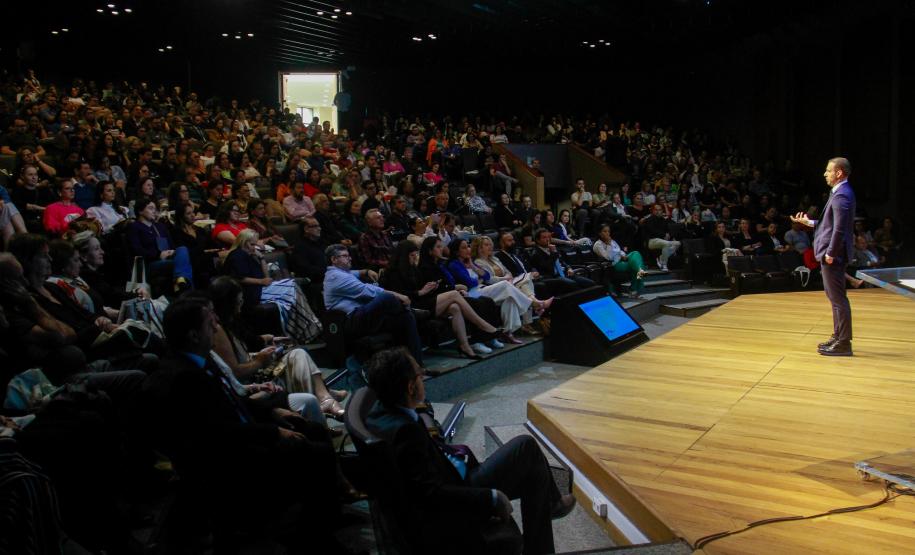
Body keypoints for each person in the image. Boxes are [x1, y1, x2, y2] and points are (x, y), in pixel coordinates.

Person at [141, 298, 351, 553]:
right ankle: (316, 537)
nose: (216, 326)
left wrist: (273, 411)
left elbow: (234, 400)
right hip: (231, 457)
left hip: (243, 432)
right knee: (316, 452)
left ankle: (330, 518)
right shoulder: (183, 378)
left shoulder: (200, 360)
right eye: (210, 323)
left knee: (313, 429)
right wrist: (273, 430)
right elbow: (218, 432)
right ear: (194, 335)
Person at [364, 347, 575, 555]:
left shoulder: (379, 412)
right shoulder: (406, 433)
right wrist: (490, 497)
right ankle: (550, 511)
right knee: (526, 448)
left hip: (452, 477)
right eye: (420, 374)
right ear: (410, 387)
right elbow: (431, 493)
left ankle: (548, 516)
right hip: (457, 495)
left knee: (533, 472)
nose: (423, 378)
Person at [381, 241, 498, 359]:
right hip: (412, 306)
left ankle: (465, 346)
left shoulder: (413, 269)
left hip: (422, 301)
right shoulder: (393, 273)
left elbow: (421, 289)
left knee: (455, 307)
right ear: (403, 256)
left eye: (416, 255)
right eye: (412, 255)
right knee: (454, 295)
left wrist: (430, 287)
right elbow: (399, 295)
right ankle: (483, 325)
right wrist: (420, 292)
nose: (414, 258)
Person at [791, 157, 856, 356]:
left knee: (838, 299)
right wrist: (810, 223)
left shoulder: (842, 195)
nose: (825, 174)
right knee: (834, 298)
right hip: (831, 252)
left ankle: (844, 343)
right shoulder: (839, 193)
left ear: (839, 173)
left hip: (832, 254)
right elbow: (830, 223)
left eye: (828, 171)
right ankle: (838, 337)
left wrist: (830, 253)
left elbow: (839, 229)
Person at [323, 243, 424, 364]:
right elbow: (367, 291)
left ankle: (416, 365)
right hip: (350, 320)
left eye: (349, 255)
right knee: (386, 297)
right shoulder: (336, 277)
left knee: (405, 318)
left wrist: (366, 271)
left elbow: (356, 273)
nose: (349, 258)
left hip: (360, 316)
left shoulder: (343, 272)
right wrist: (398, 295)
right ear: (334, 259)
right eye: (345, 256)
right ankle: (411, 310)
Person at [222, 230, 321, 345]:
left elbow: (267, 277)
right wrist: (261, 281)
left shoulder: (250, 254)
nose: (254, 247)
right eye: (251, 244)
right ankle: (308, 327)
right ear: (243, 242)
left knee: (292, 291)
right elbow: (239, 278)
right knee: (292, 288)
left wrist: (262, 258)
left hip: (260, 287)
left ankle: (305, 327)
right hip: (250, 292)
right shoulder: (237, 255)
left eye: (255, 244)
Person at [447, 238, 534, 344]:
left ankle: (508, 333)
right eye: (464, 248)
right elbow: (471, 282)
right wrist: (478, 278)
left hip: (481, 288)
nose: (467, 249)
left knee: (509, 299)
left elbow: (486, 275)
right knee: (506, 285)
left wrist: (473, 267)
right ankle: (533, 303)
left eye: (468, 246)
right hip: (471, 293)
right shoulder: (454, 265)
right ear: (456, 251)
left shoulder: (469, 262)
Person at [126, 197, 193, 292]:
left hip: (168, 257)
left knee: (182, 249)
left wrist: (171, 251)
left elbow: (172, 245)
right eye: (150, 208)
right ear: (140, 211)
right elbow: (136, 249)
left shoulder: (160, 226)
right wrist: (158, 255)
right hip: (150, 263)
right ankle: (185, 289)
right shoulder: (135, 227)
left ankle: (180, 281)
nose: (154, 211)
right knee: (184, 263)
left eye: (155, 209)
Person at [593, 225, 646, 298]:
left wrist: (623, 255)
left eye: (608, 231)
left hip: (622, 260)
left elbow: (619, 250)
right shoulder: (598, 245)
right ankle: (638, 281)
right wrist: (608, 244)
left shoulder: (612, 241)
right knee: (635, 267)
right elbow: (608, 257)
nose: (607, 233)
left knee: (635, 253)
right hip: (614, 264)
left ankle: (639, 274)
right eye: (605, 231)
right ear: (599, 233)